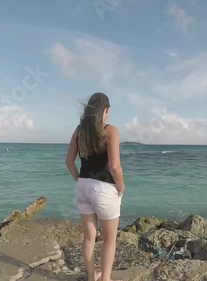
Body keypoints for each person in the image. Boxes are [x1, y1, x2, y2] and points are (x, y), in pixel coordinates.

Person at [65, 92, 125, 281]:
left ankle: (92, 277)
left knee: (89, 238)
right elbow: (115, 166)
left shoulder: (79, 130)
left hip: (83, 186)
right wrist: (121, 186)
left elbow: (69, 161)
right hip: (104, 189)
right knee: (109, 239)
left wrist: (80, 181)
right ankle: (105, 278)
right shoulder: (110, 130)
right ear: (105, 111)